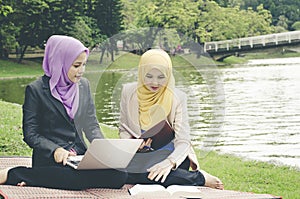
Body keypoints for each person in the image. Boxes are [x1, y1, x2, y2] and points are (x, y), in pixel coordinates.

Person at [0, 35, 127, 190]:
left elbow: (91, 125)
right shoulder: (36, 90)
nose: (81, 71)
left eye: (84, 65)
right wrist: (55, 150)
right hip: (51, 159)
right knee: (73, 180)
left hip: (79, 158)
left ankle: (36, 178)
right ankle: (16, 174)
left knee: (120, 176)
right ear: (60, 62)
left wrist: (102, 148)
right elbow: (31, 134)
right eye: (76, 65)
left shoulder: (83, 86)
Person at [119, 49, 224, 189]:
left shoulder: (178, 97)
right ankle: (190, 177)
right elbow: (123, 129)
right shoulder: (128, 92)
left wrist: (169, 162)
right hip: (140, 156)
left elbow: (183, 141)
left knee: (149, 172)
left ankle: (199, 178)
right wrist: (133, 143)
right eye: (149, 76)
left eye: (161, 77)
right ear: (141, 73)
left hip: (173, 156)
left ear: (168, 75)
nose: (154, 82)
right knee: (119, 174)